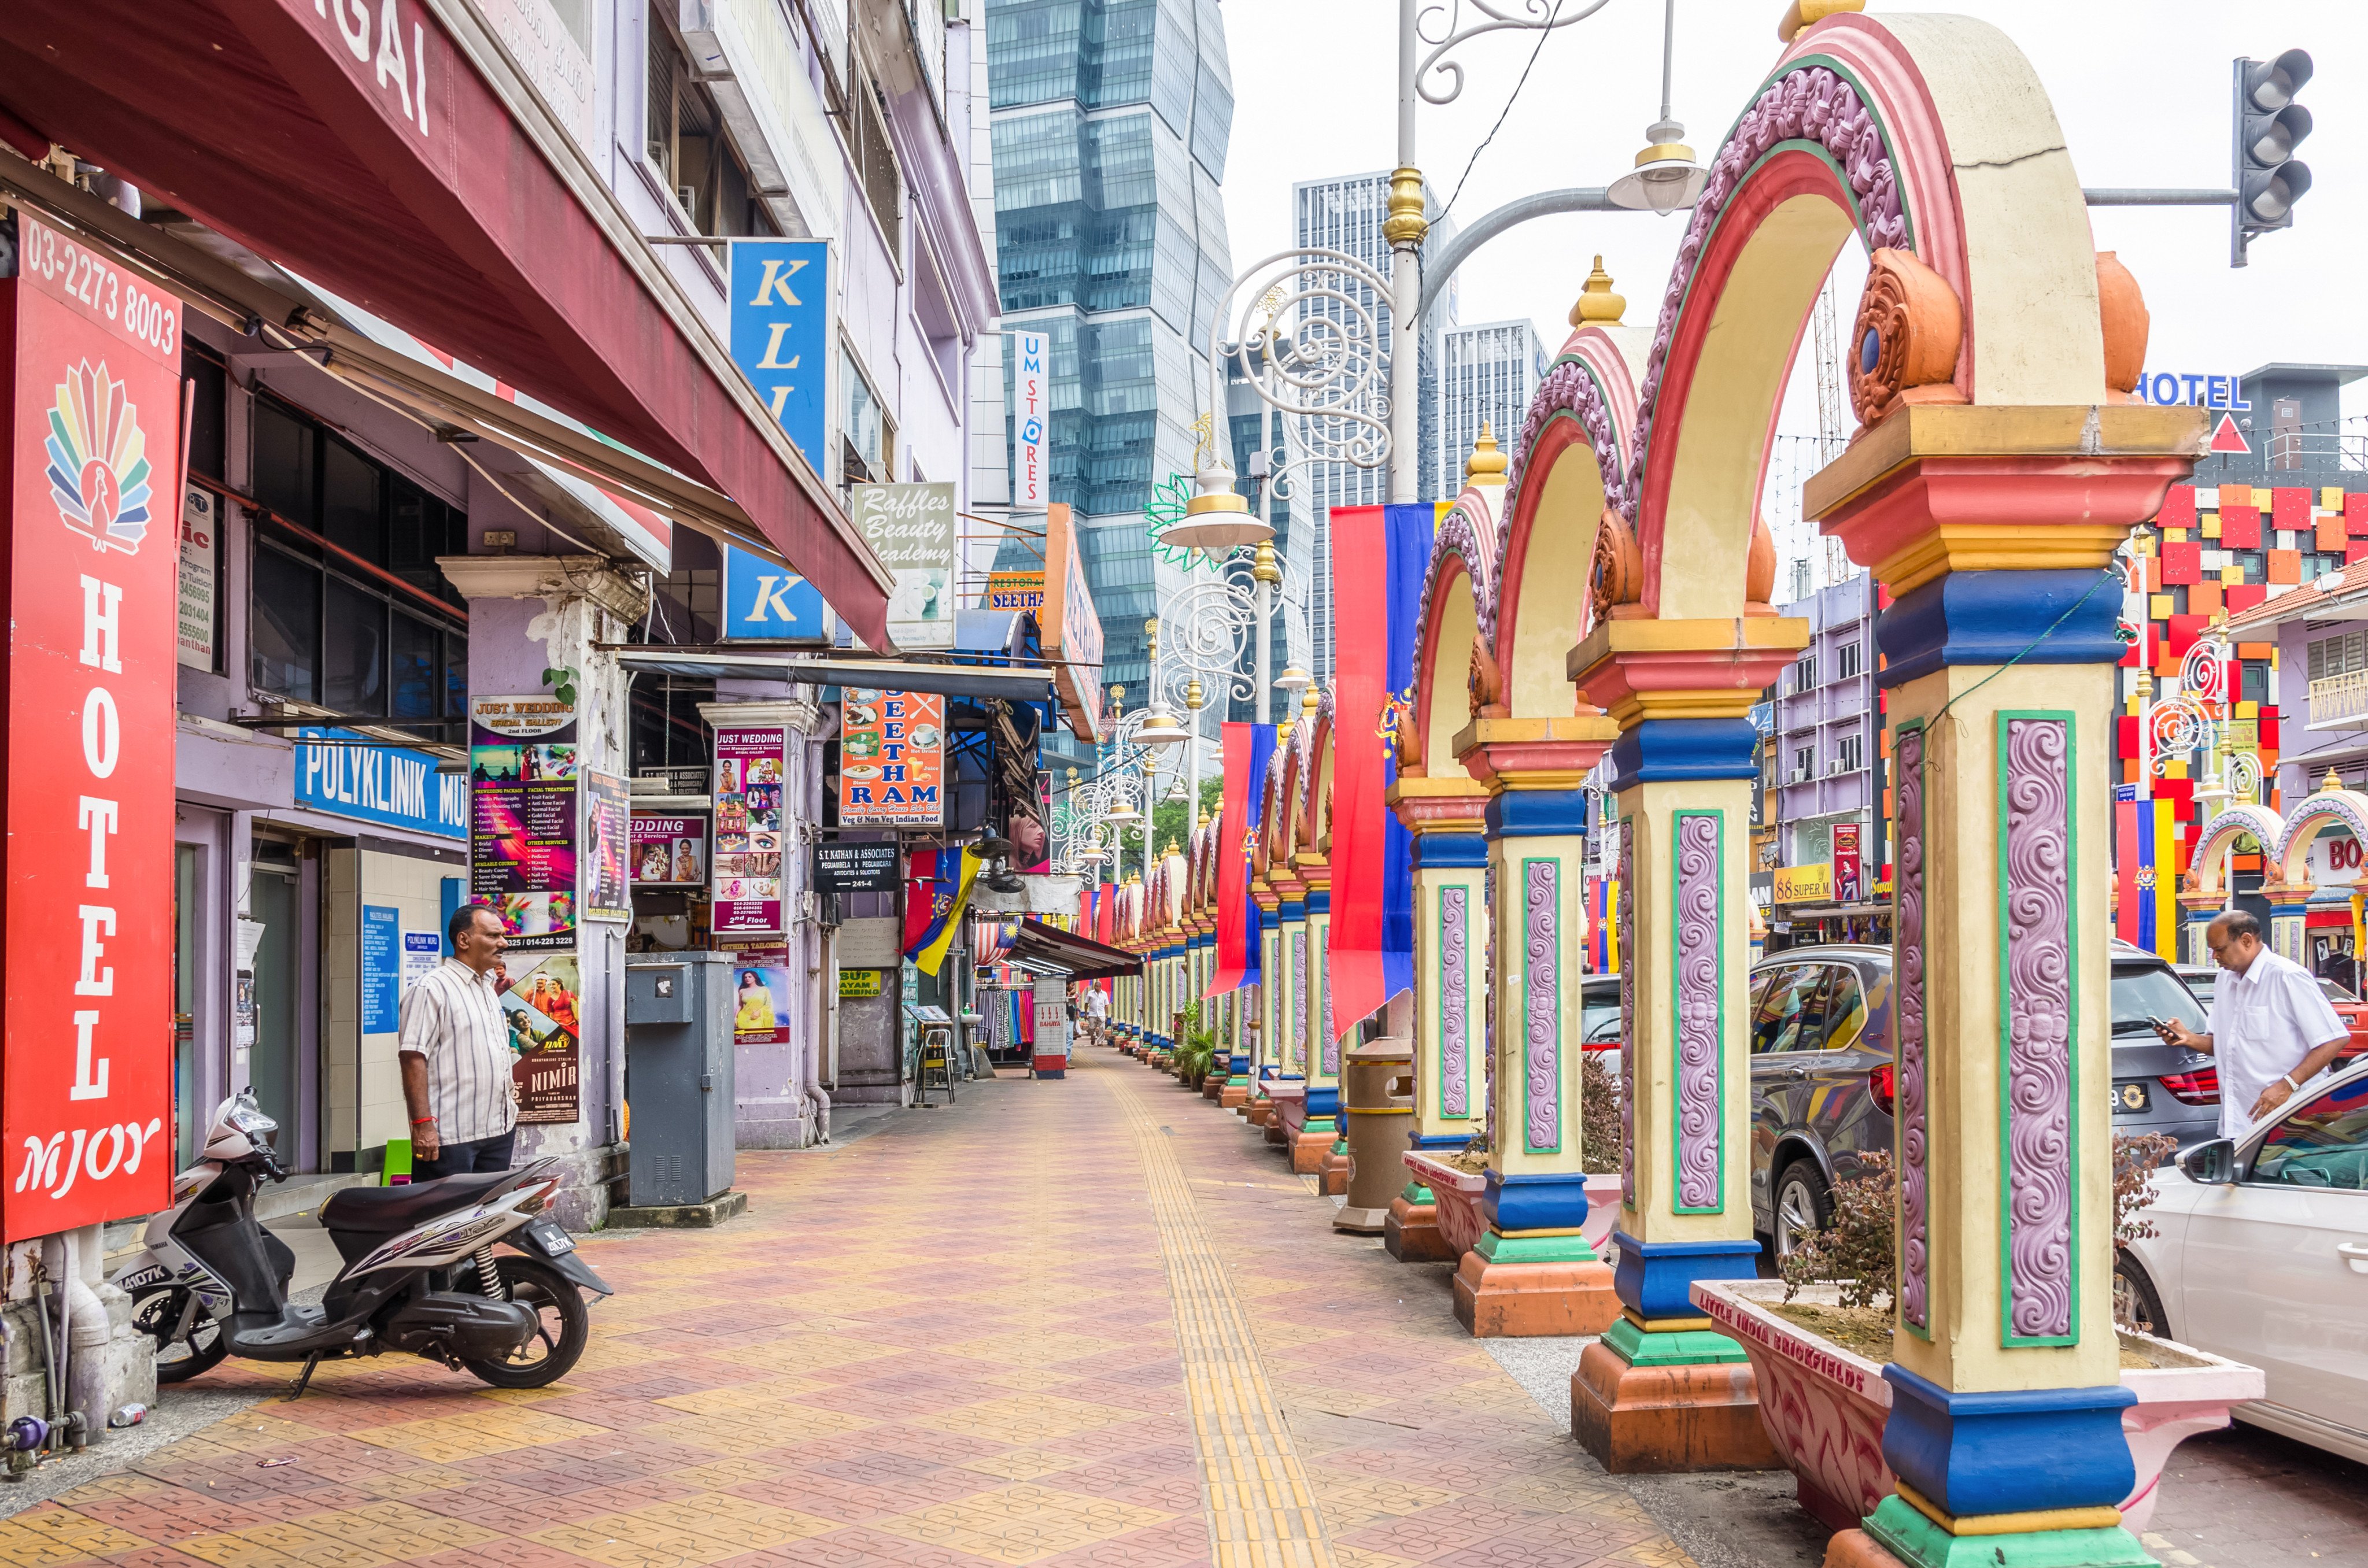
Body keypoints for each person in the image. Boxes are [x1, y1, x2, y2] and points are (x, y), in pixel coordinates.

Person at [2154, 909, 2350, 1138]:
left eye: (2220, 949)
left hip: (2289, 1119)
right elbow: (2226, 1045)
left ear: (2246, 940)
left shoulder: (2286, 976)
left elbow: (2334, 1039)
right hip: (2236, 1123)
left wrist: (2287, 1086)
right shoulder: (2224, 980)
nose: (2215, 957)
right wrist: (2188, 1038)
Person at [400, 903, 520, 1179]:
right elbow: (412, 1057)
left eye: (501, 935)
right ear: (463, 940)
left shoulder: (488, 987)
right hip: (450, 1137)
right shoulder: (431, 988)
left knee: (485, 1219)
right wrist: (422, 1124)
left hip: (498, 1131)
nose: (503, 943)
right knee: (444, 1219)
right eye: (492, 936)